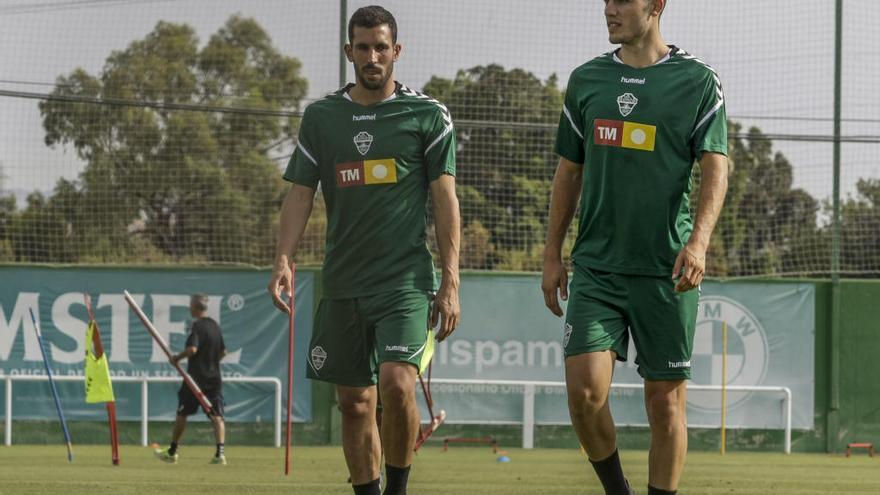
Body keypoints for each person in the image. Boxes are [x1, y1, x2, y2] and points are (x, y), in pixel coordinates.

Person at [267, 5, 461, 495]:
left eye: (381, 47)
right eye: (363, 47)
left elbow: (445, 199)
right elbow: (299, 193)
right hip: (343, 283)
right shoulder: (323, 117)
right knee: (354, 402)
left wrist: (452, 280)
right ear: (348, 51)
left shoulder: (427, 115)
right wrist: (284, 260)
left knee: (396, 387)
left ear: (397, 51)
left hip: (405, 284)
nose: (372, 56)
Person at [541, 1, 728, 494]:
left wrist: (699, 242)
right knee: (583, 393)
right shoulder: (587, 80)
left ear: (657, 5)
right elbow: (569, 172)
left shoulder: (697, 81)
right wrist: (551, 254)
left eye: (623, 0)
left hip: (667, 270)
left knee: (665, 404)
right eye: (607, 1)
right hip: (597, 268)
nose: (610, 9)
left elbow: (716, 168)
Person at [155, 294, 228, 465]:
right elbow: (223, 352)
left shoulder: (197, 326)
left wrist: (176, 358)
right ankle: (220, 454)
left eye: (190, 306)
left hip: (195, 379)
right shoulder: (215, 326)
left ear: (195, 307)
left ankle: (172, 452)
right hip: (214, 378)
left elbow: (192, 349)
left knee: (182, 413)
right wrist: (211, 362)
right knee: (217, 416)